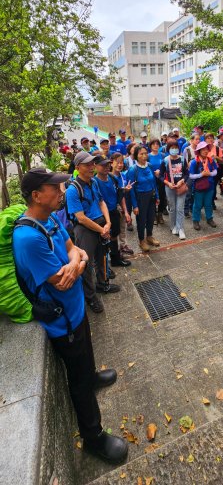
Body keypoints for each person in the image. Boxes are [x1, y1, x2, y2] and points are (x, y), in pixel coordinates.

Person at [13, 167, 128, 463]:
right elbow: (59, 279)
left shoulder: (49, 218)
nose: (62, 191)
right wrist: (79, 262)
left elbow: (72, 249)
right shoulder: (28, 237)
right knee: (78, 382)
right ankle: (93, 437)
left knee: (87, 354)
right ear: (37, 195)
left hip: (76, 309)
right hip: (61, 320)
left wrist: (77, 259)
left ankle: (92, 376)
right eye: (55, 188)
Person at [65, 152, 120, 312]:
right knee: (86, 264)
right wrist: (102, 229)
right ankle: (90, 297)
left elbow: (101, 202)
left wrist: (108, 222)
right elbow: (80, 218)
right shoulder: (73, 190)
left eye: (92, 164)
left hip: (101, 224)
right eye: (87, 164)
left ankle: (103, 284)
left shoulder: (94, 182)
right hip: (85, 229)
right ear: (77, 167)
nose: (91, 167)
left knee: (102, 257)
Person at [93, 155, 131, 268]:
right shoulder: (94, 182)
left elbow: (118, 192)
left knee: (114, 235)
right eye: (103, 165)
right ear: (95, 166)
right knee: (104, 239)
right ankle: (104, 267)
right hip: (102, 215)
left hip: (114, 211)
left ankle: (115, 259)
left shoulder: (112, 178)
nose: (106, 167)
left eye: (107, 164)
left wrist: (125, 191)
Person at [127, 145, 160, 252]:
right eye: (141, 154)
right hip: (140, 198)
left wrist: (157, 196)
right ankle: (141, 240)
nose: (144, 156)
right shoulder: (133, 170)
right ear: (136, 156)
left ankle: (149, 236)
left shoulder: (149, 166)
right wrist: (135, 205)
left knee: (151, 218)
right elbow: (131, 190)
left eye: (146, 153)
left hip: (151, 196)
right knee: (141, 220)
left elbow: (154, 182)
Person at [160, 140, 189, 239]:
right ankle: (173, 226)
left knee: (180, 208)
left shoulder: (182, 159)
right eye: (172, 148)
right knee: (172, 208)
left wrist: (182, 180)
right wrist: (168, 183)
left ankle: (180, 228)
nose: (174, 149)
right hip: (169, 188)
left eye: (176, 147)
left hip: (181, 187)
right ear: (168, 149)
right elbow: (160, 175)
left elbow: (187, 173)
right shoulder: (165, 160)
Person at [189, 141, 218, 231]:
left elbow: (215, 171)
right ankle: (196, 220)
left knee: (208, 204)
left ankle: (209, 219)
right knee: (197, 205)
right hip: (199, 187)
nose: (205, 151)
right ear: (199, 151)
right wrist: (201, 175)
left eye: (207, 149)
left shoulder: (210, 160)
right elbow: (191, 175)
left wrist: (209, 174)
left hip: (210, 186)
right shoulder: (195, 162)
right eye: (203, 149)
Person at [110, 152, 134, 256]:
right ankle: (113, 250)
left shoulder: (123, 176)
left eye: (122, 163)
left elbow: (122, 194)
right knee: (113, 230)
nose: (120, 165)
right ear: (111, 163)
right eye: (118, 162)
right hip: (111, 208)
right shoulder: (108, 177)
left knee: (122, 226)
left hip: (121, 204)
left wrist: (126, 211)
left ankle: (123, 245)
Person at [148, 138, 166, 224]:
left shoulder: (163, 155)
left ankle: (160, 214)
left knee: (162, 197)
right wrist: (153, 173)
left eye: (157, 144)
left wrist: (161, 172)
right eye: (153, 144)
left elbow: (167, 167)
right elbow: (145, 168)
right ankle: (154, 215)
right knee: (152, 197)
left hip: (161, 180)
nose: (155, 146)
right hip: (151, 180)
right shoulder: (147, 156)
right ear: (150, 146)